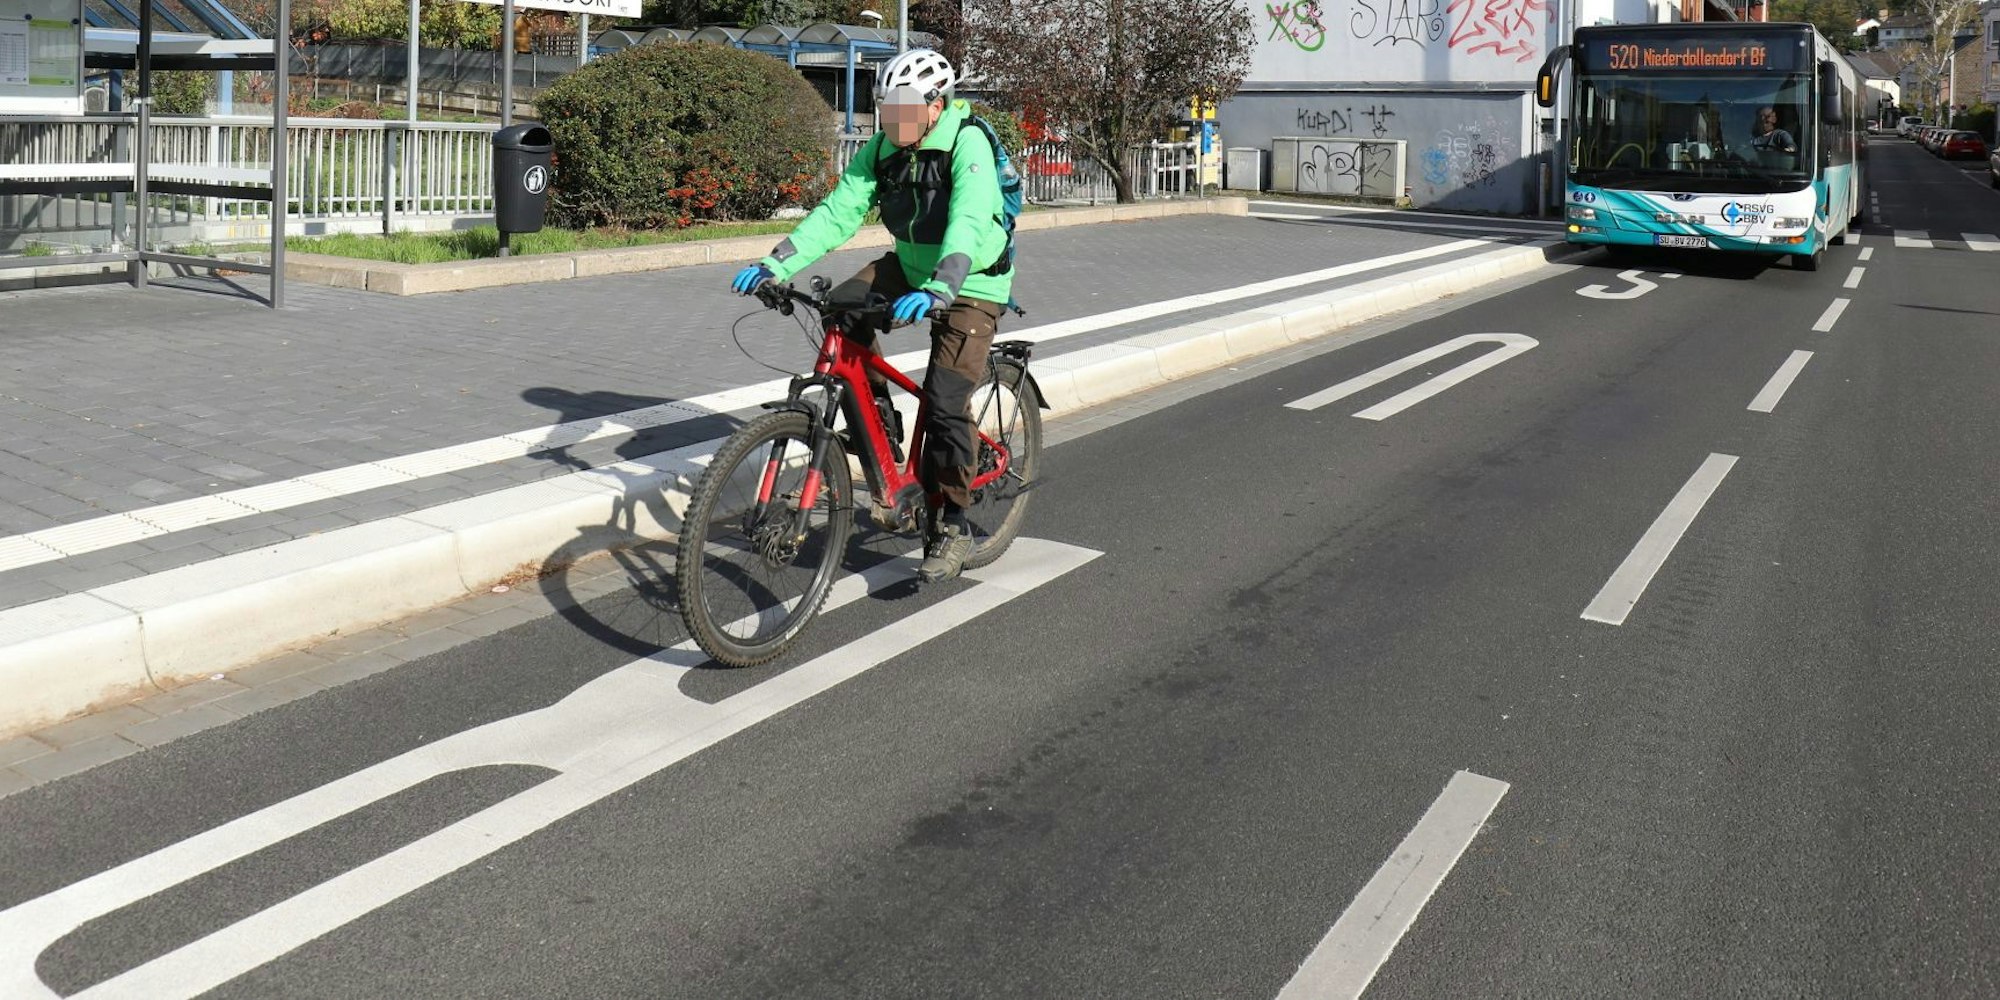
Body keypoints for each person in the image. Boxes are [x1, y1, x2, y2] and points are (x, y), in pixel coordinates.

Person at [729, 48, 1014, 585]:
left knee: (947, 402)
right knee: (840, 307)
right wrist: (775, 261)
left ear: (936, 105)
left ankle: (952, 522)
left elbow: (970, 221)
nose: (893, 118)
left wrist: (941, 287)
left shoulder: (966, 140)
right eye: (886, 107)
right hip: (910, 267)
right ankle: (879, 430)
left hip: (969, 278)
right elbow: (840, 211)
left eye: (904, 107)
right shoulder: (885, 147)